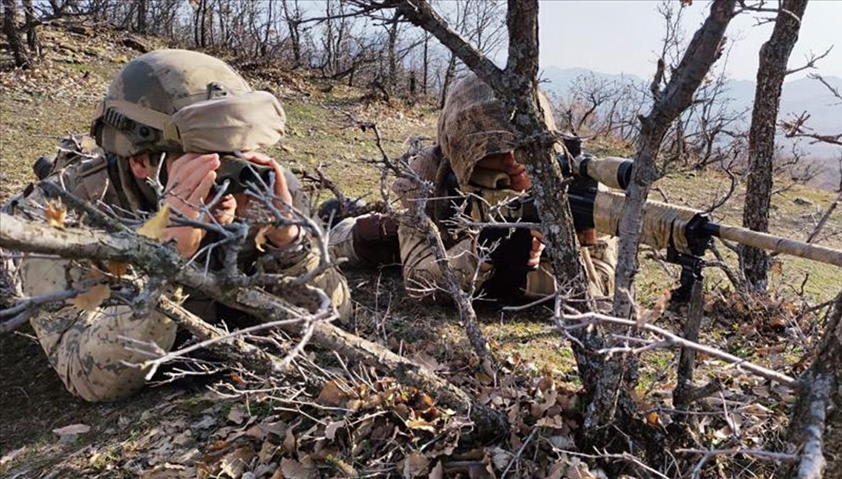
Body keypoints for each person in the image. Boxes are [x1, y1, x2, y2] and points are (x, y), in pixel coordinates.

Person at [3, 50, 350, 402]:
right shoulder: (59, 215)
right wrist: (168, 261)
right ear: (142, 162)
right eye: (208, 157)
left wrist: (288, 243)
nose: (229, 174)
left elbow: (335, 319)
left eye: (239, 151)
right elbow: (87, 376)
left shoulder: (262, 183)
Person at [380, 74, 618, 304]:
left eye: (524, 145)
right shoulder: (426, 177)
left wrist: (540, 265)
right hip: (437, 242)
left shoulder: (579, 185)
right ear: (463, 151)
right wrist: (480, 252)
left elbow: (602, 282)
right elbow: (418, 281)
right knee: (372, 236)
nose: (513, 159)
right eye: (495, 149)